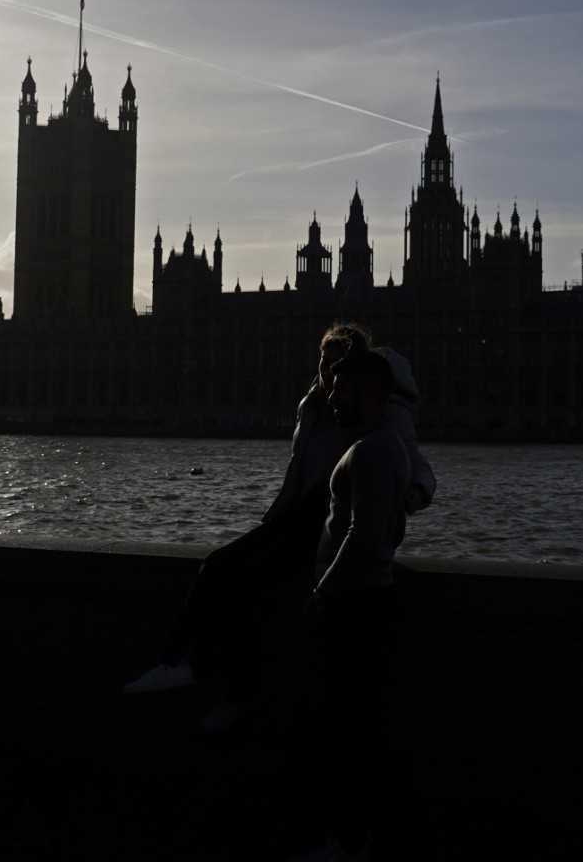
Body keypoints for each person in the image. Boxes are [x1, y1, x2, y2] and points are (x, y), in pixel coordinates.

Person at [124, 323, 370, 711]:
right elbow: (296, 470)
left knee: (243, 583)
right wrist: (271, 518)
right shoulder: (310, 406)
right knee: (218, 567)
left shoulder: (364, 413)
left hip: (323, 525)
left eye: (336, 362)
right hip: (294, 517)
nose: (327, 369)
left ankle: (206, 680)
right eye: (323, 359)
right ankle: (178, 664)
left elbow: (402, 466)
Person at [304, 343, 417, 860]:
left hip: (357, 607)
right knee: (356, 728)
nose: (332, 397)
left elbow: (365, 536)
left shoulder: (373, 449)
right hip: (364, 602)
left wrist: (324, 592)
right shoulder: (383, 444)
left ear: (369, 393)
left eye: (340, 389)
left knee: (348, 731)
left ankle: (347, 841)